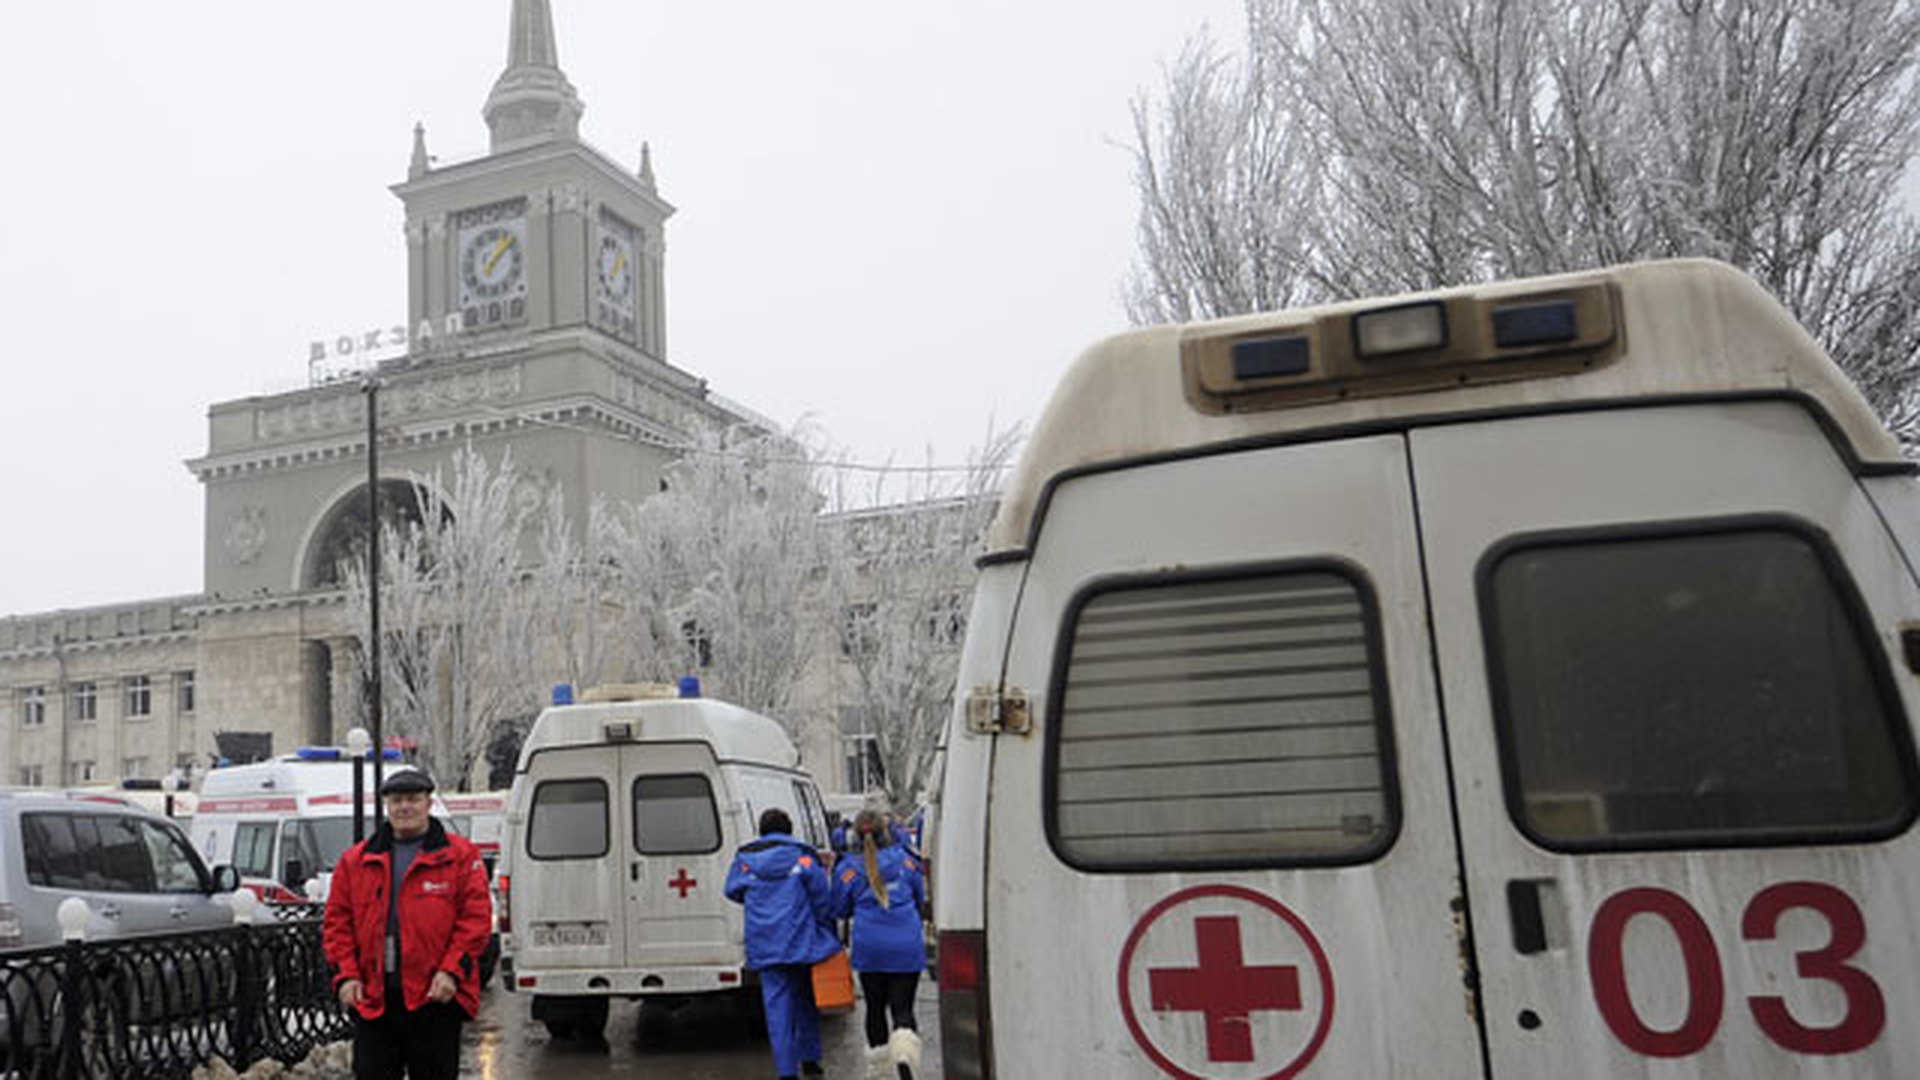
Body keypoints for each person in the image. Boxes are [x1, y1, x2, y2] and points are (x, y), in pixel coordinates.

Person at [322, 769, 492, 1080]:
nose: (404, 807)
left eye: (413, 799)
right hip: (374, 1001)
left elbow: (476, 921)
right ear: (387, 806)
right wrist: (346, 976)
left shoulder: (460, 856)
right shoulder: (355, 861)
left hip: (434, 999)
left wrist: (451, 971)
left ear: (429, 803)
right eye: (397, 800)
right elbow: (337, 925)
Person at [724, 807, 842, 1080]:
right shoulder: (804, 857)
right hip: (800, 942)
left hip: (765, 944)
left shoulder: (745, 859)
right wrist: (826, 931)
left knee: (777, 1010)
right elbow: (821, 899)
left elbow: (731, 890)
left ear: (762, 831)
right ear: (789, 830)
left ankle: (787, 1072)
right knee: (805, 1002)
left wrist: (757, 899)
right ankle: (811, 1062)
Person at [833, 809, 929, 1080]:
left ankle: (879, 1070)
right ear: (886, 832)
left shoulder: (848, 869)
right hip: (905, 945)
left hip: (870, 948)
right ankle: (905, 1058)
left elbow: (840, 908)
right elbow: (920, 898)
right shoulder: (908, 862)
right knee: (903, 1009)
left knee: (875, 1008)